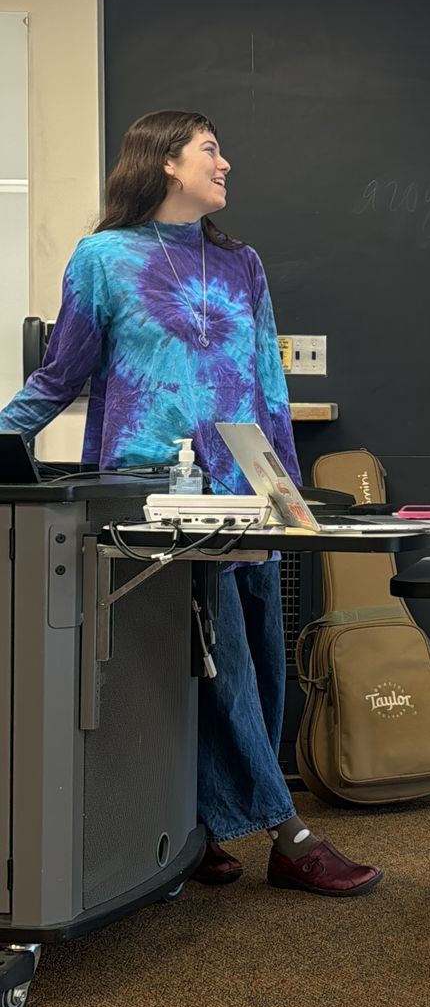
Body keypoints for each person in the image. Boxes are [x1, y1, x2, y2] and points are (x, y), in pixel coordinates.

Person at [0, 110, 381, 898]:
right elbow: (59, 376)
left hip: (249, 482)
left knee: (259, 656)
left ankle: (202, 821)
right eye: (211, 150)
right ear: (166, 161)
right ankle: (289, 833)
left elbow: (269, 385)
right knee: (218, 658)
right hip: (155, 489)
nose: (226, 163)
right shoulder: (104, 258)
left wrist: (286, 494)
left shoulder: (241, 262)